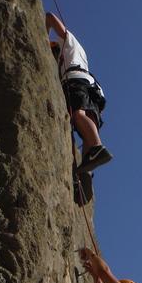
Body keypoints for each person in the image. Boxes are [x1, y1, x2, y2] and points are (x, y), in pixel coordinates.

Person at [46, 12, 112, 174]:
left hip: (77, 79)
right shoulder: (78, 55)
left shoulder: (68, 41)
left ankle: (97, 147)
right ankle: (86, 170)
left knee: (78, 114)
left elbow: (50, 17)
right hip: (93, 88)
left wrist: (43, 34)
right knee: (87, 126)